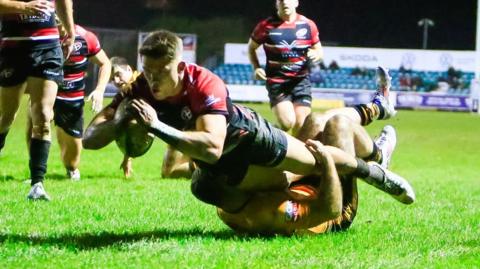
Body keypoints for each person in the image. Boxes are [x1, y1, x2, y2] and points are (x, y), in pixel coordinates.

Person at [0, 0, 75, 200]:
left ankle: (37, 185)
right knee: (6, 116)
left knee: (42, 115)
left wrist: (70, 31)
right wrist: (24, 7)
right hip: (13, 47)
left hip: (48, 47)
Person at [26, 22, 111, 181]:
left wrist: (99, 90)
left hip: (72, 99)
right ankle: (36, 176)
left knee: (72, 162)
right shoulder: (40, 36)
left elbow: (105, 63)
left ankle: (70, 167)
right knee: (37, 123)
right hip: (45, 93)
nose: (56, 15)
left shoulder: (85, 38)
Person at [247, 0, 323, 135]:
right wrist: (256, 67)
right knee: (287, 123)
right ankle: (263, 136)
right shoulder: (266, 26)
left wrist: (316, 54)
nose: (285, 3)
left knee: (302, 125)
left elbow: (318, 50)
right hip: (277, 83)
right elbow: (251, 48)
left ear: (296, 3)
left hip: (301, 82)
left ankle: (295, 155)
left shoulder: (308, 25)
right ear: (277, 4)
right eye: (281, 1)